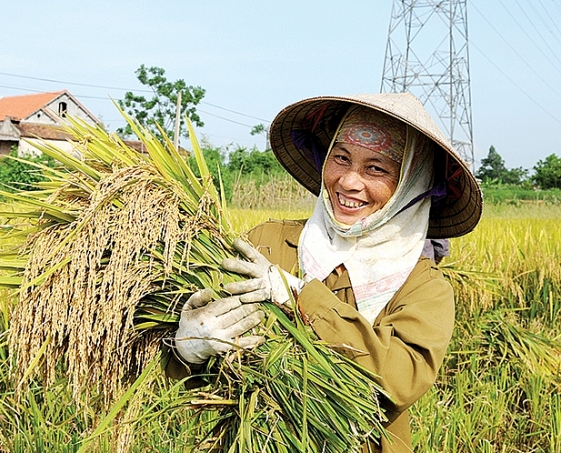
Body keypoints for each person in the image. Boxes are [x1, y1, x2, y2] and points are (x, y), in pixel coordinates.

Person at [172, 93, 482, 452]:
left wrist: (300, 297)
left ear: (410, 185)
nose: (348, 181)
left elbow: (400, 380)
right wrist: (187, 351)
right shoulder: (265, 243)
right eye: (341, 158)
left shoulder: (423, 286)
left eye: (376, 168)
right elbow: (201, 373)